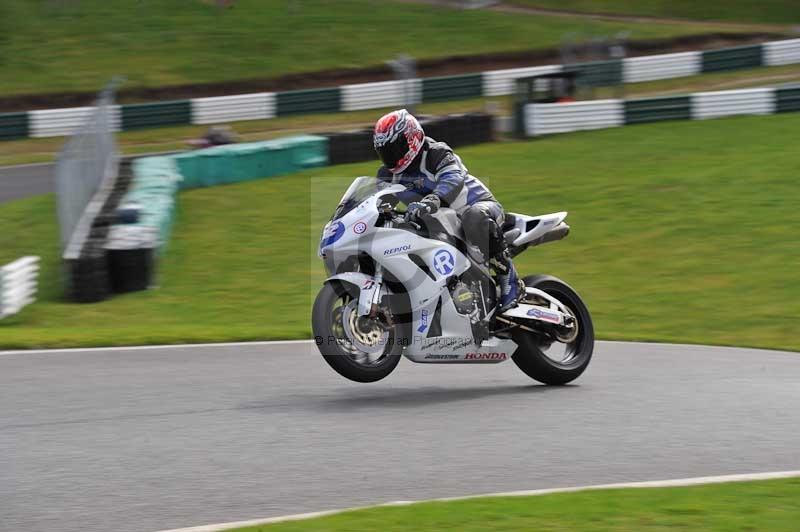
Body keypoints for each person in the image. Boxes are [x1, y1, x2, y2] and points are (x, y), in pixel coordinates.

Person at [373, 109, 521, 312]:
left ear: (412, 139)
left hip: (478, 207)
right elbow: (377, 203)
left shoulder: (436, 152)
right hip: (440, 224)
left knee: (474, 218)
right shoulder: (386, 175)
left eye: (395, 148)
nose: (391, 156)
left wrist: (433, 199)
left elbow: (453, 179)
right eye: (385, 151)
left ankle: (510, 281)